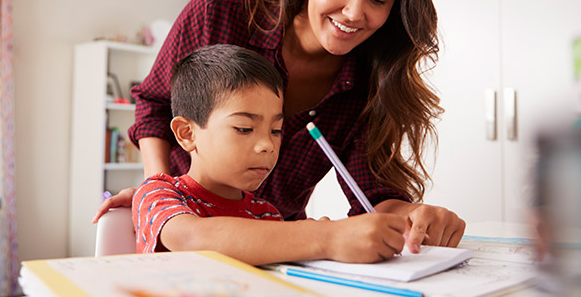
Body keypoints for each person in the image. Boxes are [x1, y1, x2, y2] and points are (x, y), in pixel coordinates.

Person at [94, 0, 466, 254]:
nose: (354, 13)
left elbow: (372, 194)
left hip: (281, 247)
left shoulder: (371, 79)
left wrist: (413, 216)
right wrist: (161, 191)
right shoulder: (224, 7)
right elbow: (157, 104)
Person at [133, 44, 407, 265]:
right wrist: (325, 237)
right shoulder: (159, 193)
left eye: (276, 130)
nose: (267, 144)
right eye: (244, 128)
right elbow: (192, 239)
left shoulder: (265, 215)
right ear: (186, 133)